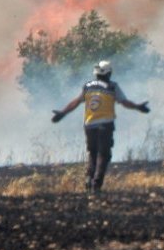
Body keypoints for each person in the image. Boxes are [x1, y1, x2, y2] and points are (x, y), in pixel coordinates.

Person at [51, 60, 150, 192]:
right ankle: (96, 184)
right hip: (105, 125)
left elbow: (75, 102)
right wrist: (138, 107)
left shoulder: (87, 86)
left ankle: (88, 179)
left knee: (92, 153)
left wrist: (63, 113)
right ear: (108, 73)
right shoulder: (112, 86)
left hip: (89, 125)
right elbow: (124, 102)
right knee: (104, 154)